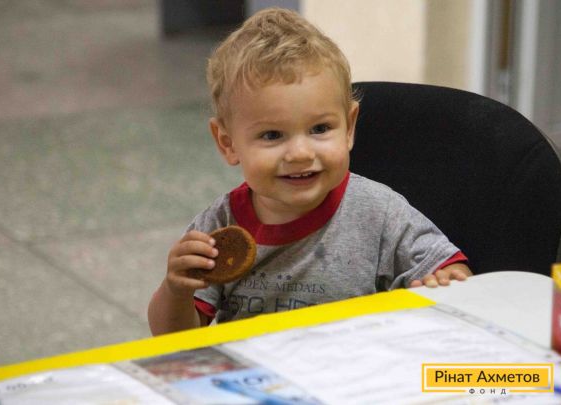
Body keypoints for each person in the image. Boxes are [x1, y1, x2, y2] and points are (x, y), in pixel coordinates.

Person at [148, 7, 472, 336]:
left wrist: (448, 282)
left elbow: (454, 273)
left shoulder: (380, 213)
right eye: (272, 135)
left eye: (320, 129)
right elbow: (171, 339)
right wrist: (176, 291)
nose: (301, 154)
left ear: (349, 127)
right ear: (228, 143)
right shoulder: (219, 227)